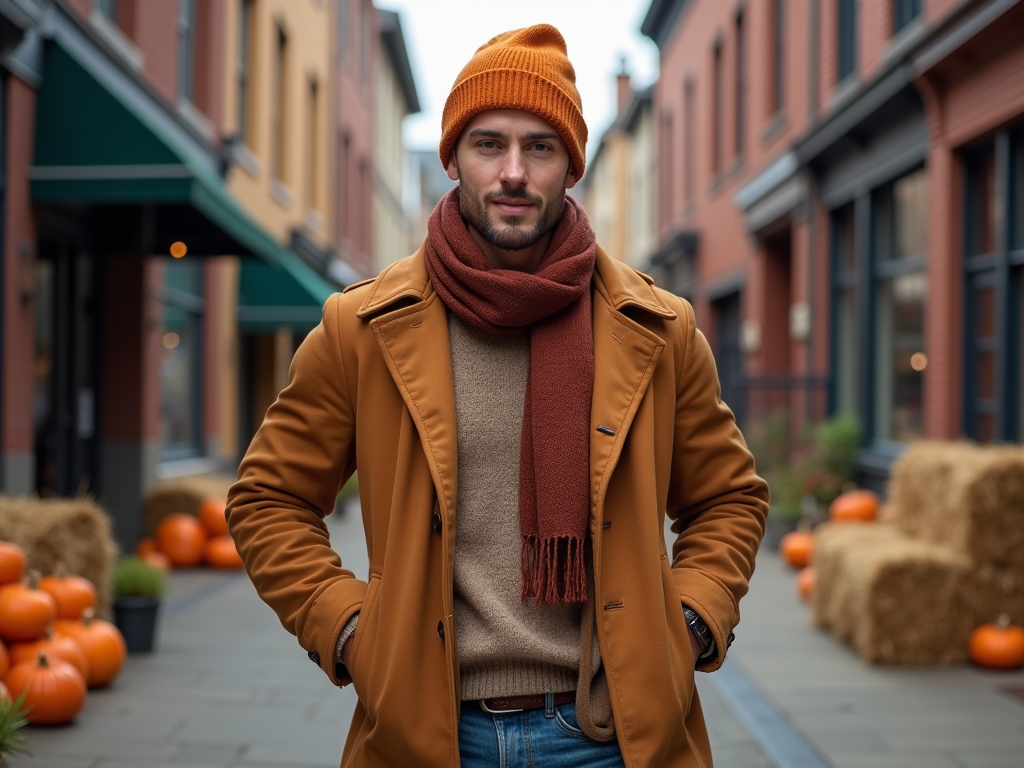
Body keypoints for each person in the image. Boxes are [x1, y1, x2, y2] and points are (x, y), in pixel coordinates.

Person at [227, 24, 768, 768]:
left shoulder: (658, 329)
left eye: (539, 147)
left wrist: (690, 621)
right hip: (431, 736)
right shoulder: (362, 327)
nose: (513, 171)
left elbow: (728, 499)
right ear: (453, 156)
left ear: (571, 167)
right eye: (489, 144)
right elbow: (268, 499)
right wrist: (352, 630)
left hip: (613, 737)